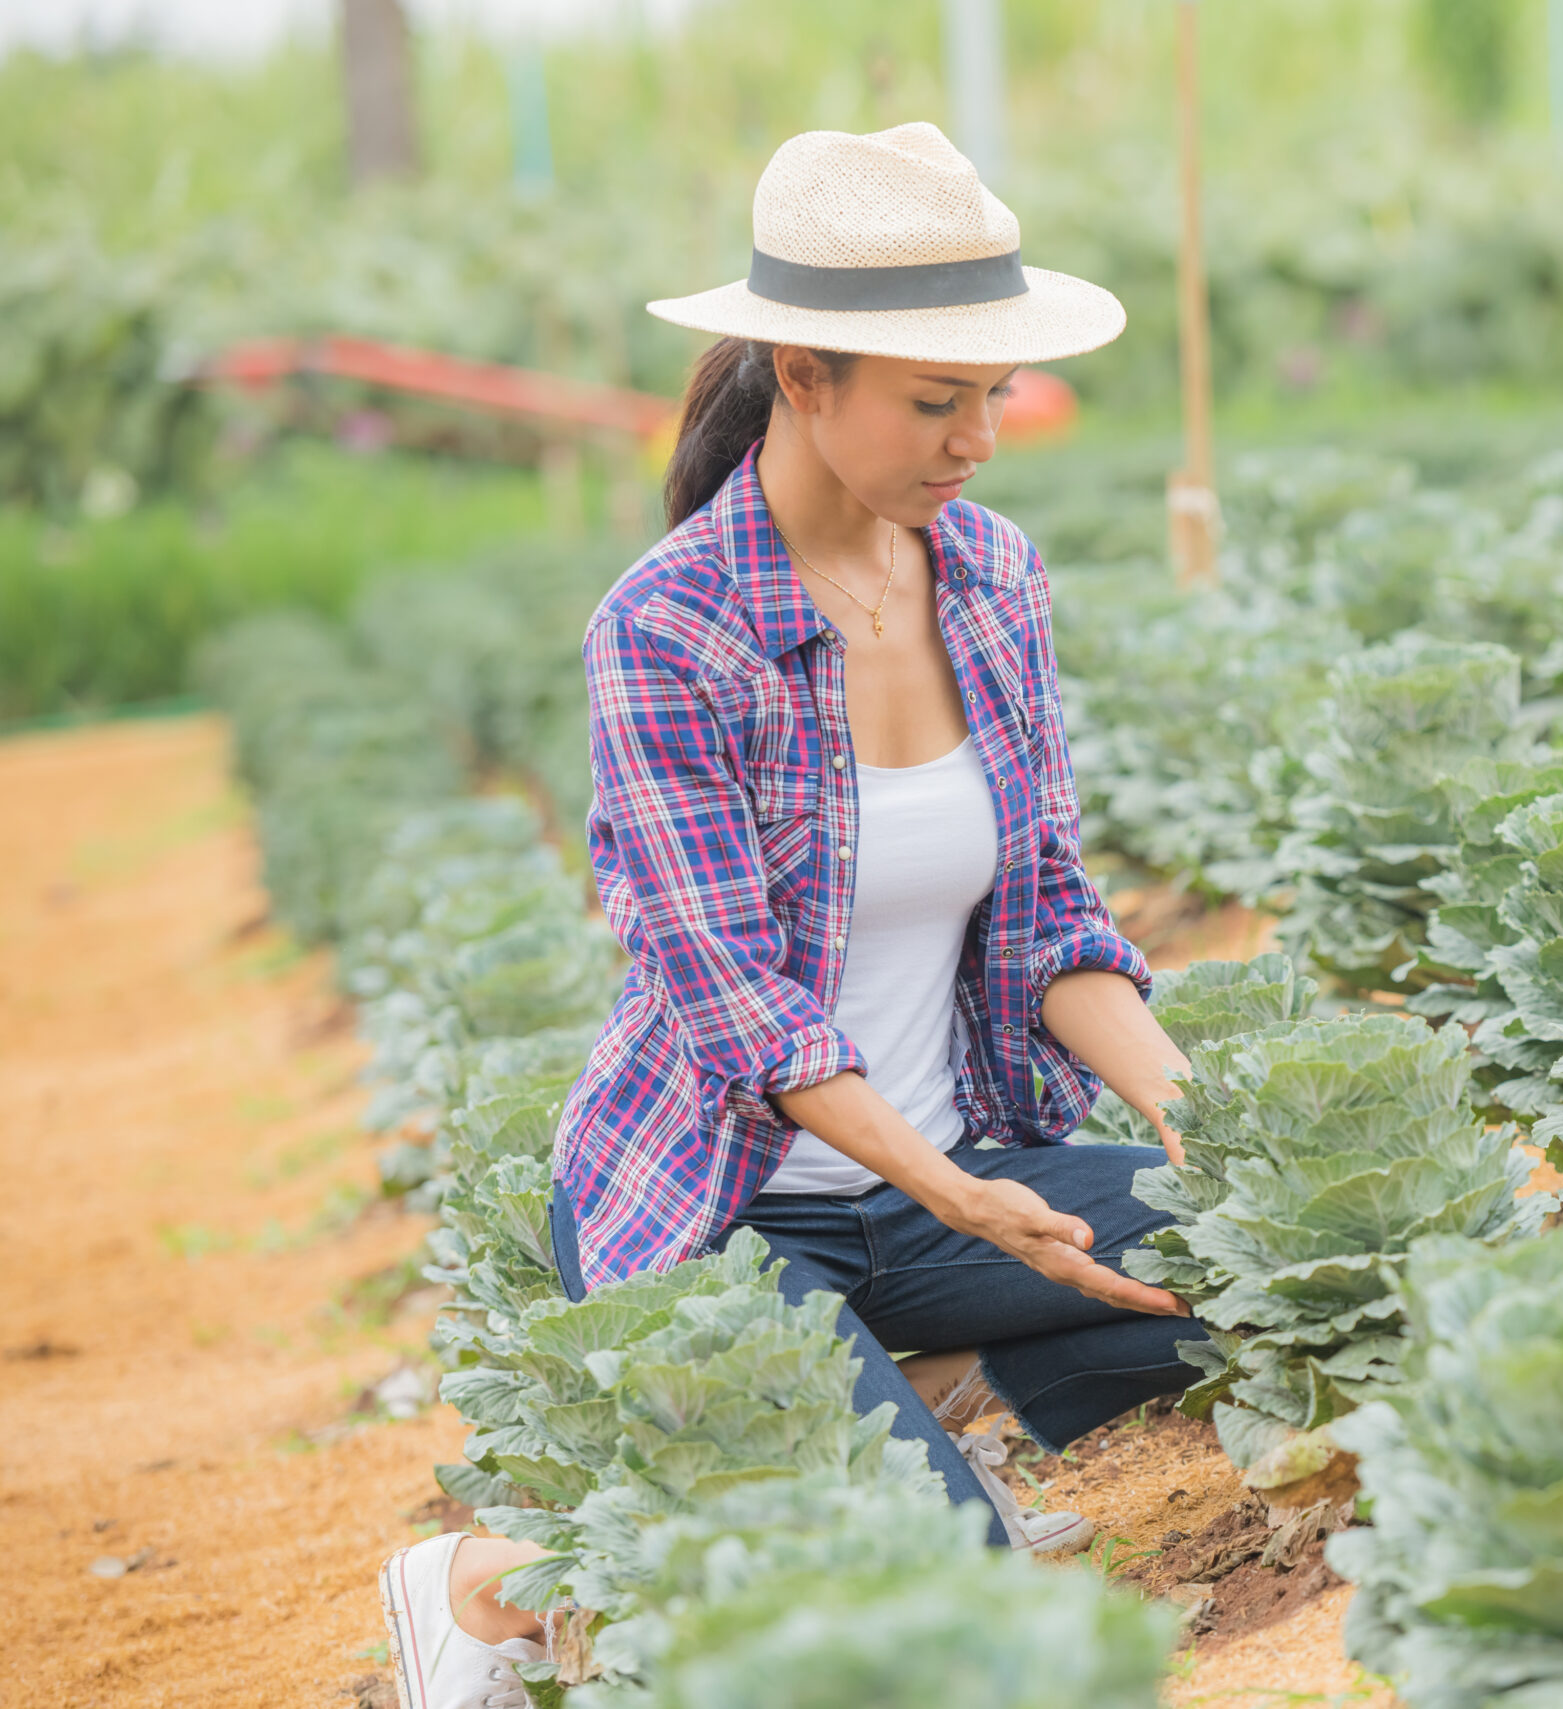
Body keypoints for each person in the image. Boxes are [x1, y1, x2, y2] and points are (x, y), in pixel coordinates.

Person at [375, 123, 1212, 1709]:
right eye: (933, 399)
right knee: (942, 1615)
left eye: (990, 397)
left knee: (1266, 1254)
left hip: (948, 1185)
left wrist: (1195, 1117)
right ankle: (496, 1580)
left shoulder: (993, 578)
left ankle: (891, 1397)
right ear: (801, 376)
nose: (977, 441)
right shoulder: (671, 629)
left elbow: (1044, 919)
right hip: (728, 1209)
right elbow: (738, 1010)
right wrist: (960, 1199)